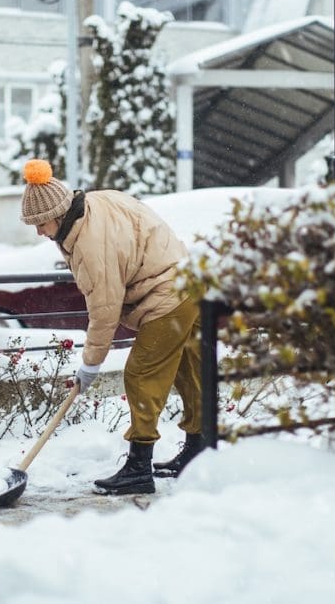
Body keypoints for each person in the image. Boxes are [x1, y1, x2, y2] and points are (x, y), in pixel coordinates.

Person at [19, 158, 205, 495]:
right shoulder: (93, 204)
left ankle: (139, 467)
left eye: (41, 224)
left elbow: (104, 310)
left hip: (166, 294)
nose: (38, 232)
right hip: (187, 280)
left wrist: (90, 364)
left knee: (141, 374)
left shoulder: (90, 245)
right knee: (188, 370)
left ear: (58, 215)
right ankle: (199, 448)